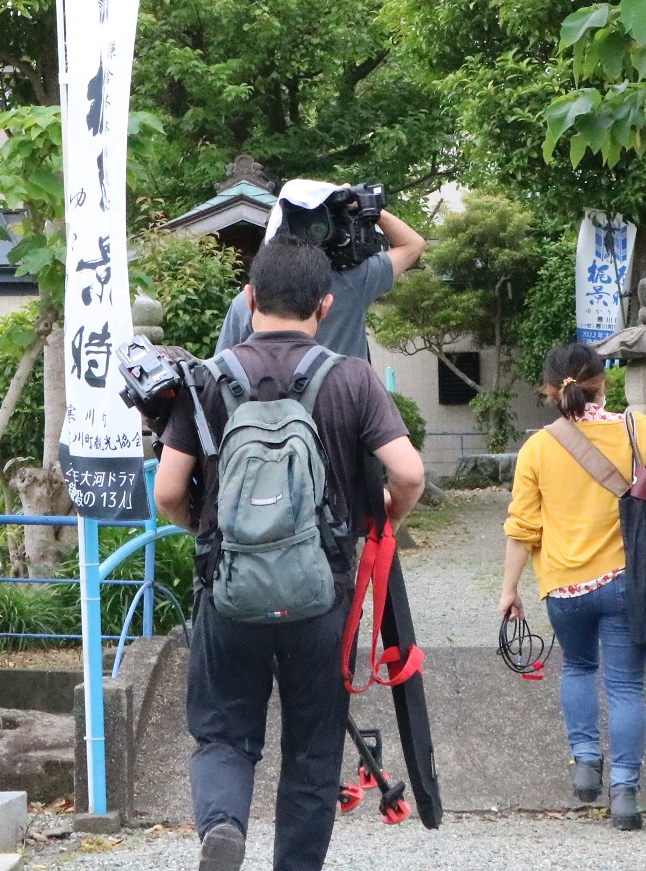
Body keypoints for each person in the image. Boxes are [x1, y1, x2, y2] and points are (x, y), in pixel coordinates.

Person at [156, 236, 427, 871]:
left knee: (224, 733)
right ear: (325, 303)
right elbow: (409, 475)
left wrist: (207, 527)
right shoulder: (352, 379)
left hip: (228, 590)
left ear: (250, 298)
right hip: (320, 596)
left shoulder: (209, 379)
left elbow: (168, 489)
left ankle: (223, 826)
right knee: (311, 750)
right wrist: (383, 517)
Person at [498, 341, 646, 830]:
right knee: (627, 686)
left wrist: (509, 591)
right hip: (626, 582)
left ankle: (586, 761)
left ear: (549, 390)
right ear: (602, 383)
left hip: (565, 588)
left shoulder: (539, 447)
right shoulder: (639, 429)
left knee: (579, 668)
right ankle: (626, 795)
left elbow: (523, 527)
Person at [212, 180, 426, 361]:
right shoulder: (354, 281)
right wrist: (367, 207)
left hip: (264, 409)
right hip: (341, 405)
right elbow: (413, 245)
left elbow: (221, 372)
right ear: (324, 305)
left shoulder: (248, 300)